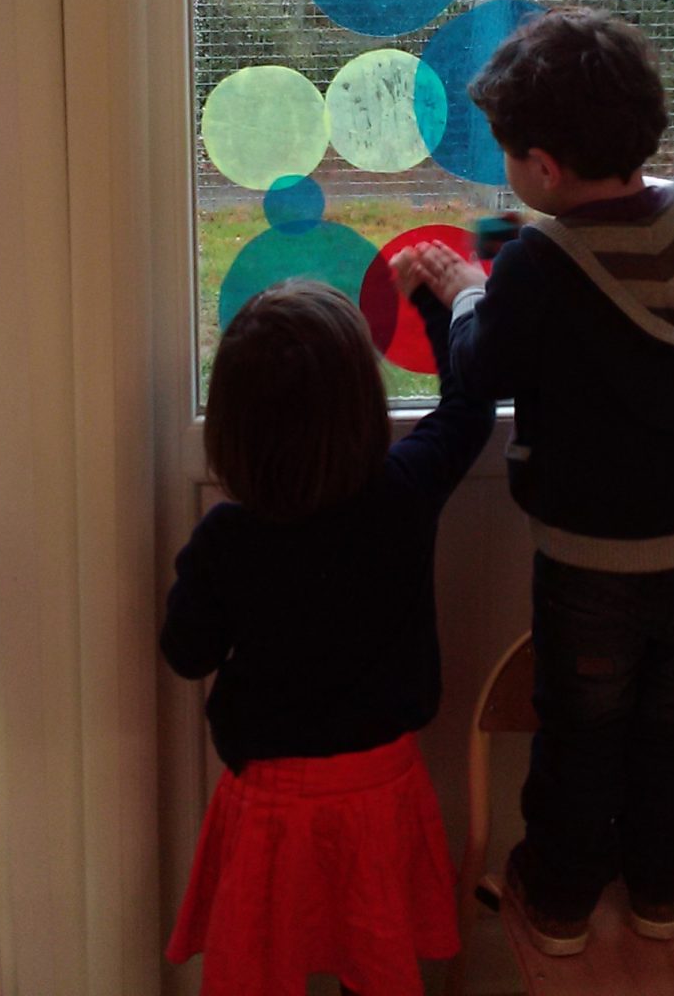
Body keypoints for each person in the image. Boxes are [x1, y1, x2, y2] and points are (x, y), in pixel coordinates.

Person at [411, 6, 674, 955]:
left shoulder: (540, 268)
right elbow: (624, 291)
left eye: (510, 155)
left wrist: (468, 290)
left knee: (581, 729)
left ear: (543, 168)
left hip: (598, 563)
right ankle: (662, 891)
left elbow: (485, 364)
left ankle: (561, 902)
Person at [161, 268, 494, 995]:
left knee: (261, 969)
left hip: (272, 806)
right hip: (381, 792)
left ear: (231, 428)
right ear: (363, 407)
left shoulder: (229, 538)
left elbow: (187, 653)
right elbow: (469, 412)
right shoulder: (403, 492)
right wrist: (437, 304)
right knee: (372, 965)